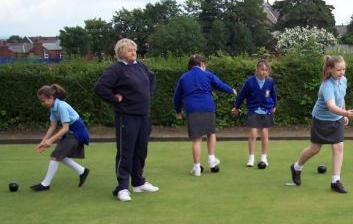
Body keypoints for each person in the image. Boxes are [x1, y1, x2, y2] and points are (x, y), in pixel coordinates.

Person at [94, 38, 159, 202]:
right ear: (121, 52)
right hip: (127, 116)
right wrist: (115, 99)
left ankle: (138, 183)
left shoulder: (140, 66)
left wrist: (148, 95)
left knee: (141, 150)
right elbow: (100, 87)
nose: (134, 52)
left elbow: (152, 78)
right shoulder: (116, 69)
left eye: (134, 49)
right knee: (126, 151)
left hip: (144, 116)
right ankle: (122, 187)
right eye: (130, 50)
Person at [290, 55, 353, 193]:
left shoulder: (344, 80)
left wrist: (344, 111)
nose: (342, 72)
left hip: (336, 119)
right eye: (339, 70)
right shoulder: (326, 86)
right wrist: (345, 114)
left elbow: (342, 97)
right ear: (330, 69)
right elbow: (331, 106)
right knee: (315, 149)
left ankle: (335, 181)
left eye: (344, 69)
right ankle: (296, 167)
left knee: (338, 148)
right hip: (321, 120)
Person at [173, 54, 236, 176]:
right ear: (202, 64)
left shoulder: (183, 77)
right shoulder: (208, 74)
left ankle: (197, 168)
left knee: (196, 139)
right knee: (211, 133)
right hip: (207, 106)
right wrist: (231, 90)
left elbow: (177, 97)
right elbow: (220, 84)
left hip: (192, 109)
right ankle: (212, 160)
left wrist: (178, 111)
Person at [31, 84, 90, 191]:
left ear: (51, 98)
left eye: (43, 101)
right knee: (59, 155)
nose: (42, 103)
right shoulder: (53, 108)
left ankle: (45, 184)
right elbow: (52, 126)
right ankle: (82, 171)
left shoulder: (62, 106)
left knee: (56, 155)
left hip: (78, 132)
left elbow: (65, 128)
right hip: (70, 132)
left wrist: (50, 141)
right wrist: (43, 142)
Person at [232, 59, 277, 168]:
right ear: (257, 70)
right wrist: (236, 107)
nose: (264, 72)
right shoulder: (250, 82)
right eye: (262, 69)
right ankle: (251, 158)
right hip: (253, 110)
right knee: (253, 134)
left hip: (266, 110)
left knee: (264, 134)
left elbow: (273, 94)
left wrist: (274, 105)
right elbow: (241, 95)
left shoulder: (270, 81)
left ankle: (263, 158)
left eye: (266, 70)